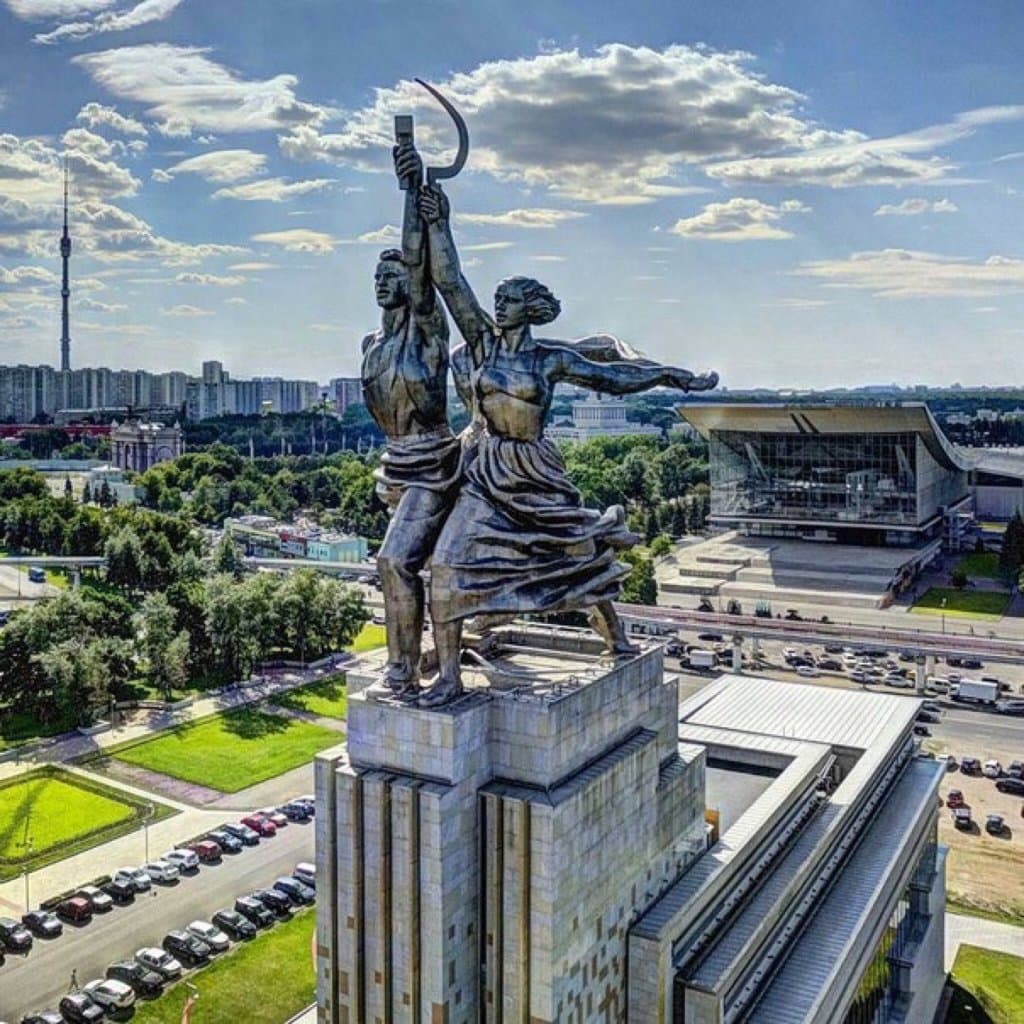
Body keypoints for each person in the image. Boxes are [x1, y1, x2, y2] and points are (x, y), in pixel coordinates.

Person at [417, 184, 718, 706]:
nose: (499, 304)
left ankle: (615, 636)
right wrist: (438, 223)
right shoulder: (484, 342)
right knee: (446, 567)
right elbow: (450, 281)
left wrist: (670, 374)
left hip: (533, 471)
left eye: (509, 299)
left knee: (575, 556)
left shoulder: (549, 359)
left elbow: (613, 377)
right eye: (499, 298)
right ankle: (448, 675)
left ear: (530, 310)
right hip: (487, 469)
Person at [359, 142, 462, 695]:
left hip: (434, 466)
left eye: (393, 272)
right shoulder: (371, 344)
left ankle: (401, 672)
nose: (384, 280)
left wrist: (409, 193)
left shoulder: (426, 331)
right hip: (396, 467)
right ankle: (414, 659)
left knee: (394, 562)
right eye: (377, 274)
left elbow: (424, 270)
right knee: (407, 567)